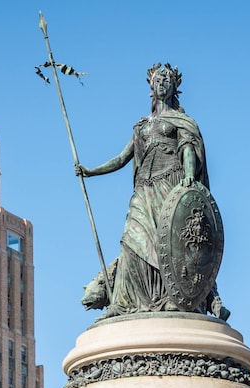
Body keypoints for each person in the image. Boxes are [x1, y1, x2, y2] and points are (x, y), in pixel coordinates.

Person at [77, 63, 227, 320]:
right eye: (159, 79)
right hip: (144, 190)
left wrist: (190, 176)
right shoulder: (141, 125)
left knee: (169, 242)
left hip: (171, 185)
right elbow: (123, 157)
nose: (163, 83)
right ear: (151, 86)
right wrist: (91, 171)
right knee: (131, 242)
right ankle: (124, 301)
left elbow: (188, 148)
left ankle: (174, 298)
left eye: (168, 79)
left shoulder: (182, 121)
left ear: (174, 87)